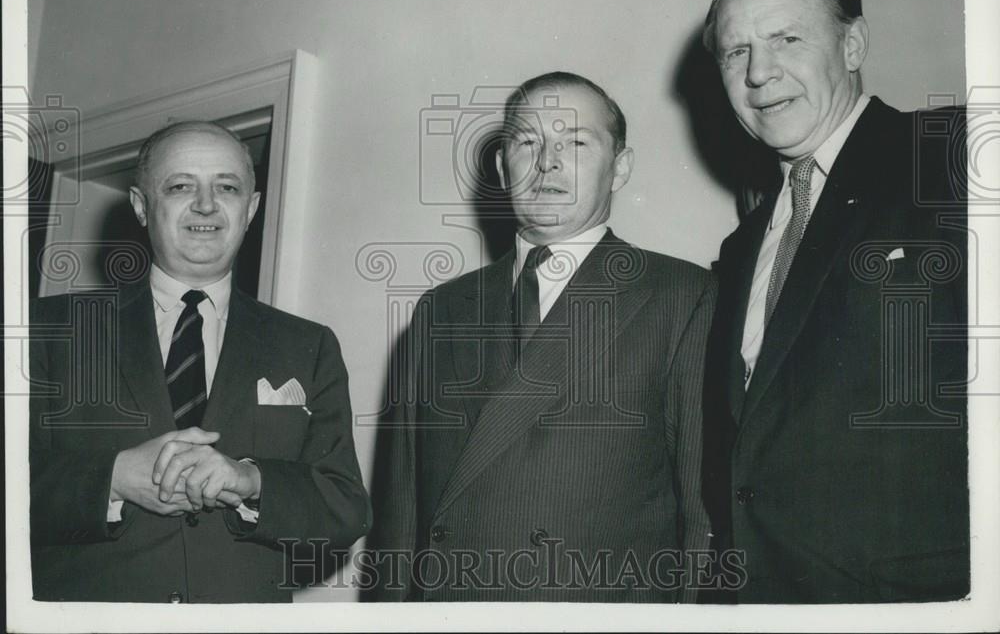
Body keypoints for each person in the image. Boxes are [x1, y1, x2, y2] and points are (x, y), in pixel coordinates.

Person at [368, 72, 715, 602]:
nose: (548, 161)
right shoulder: (441, 308)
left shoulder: (680, 295)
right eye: (527, 142)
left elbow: (702, 515)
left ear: (619, 168)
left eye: (575, 142)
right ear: (503, 166)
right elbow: (400, 513)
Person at [699, 0, 968, 603]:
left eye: (786, 39)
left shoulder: (953, 155)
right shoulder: (739, 248)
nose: (759, 73)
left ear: (853, 43)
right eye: (736, 53)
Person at [29, 121, 370, 602]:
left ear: (250, 209)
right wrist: (113, 479)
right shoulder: (49, 329)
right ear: (142, 206)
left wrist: (251, 480)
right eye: (180, 185)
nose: (206, 204)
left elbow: (345, 508)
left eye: (226, 187)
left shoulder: (308, 345)